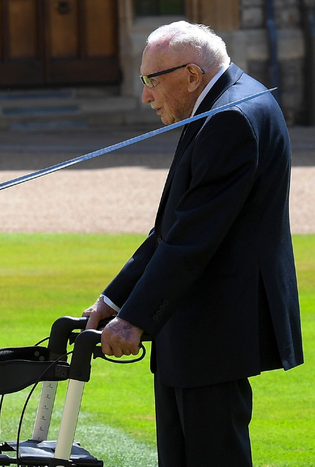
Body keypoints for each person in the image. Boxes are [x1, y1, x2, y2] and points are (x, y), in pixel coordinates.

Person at [83, 21, 303, 467]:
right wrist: (114, 300)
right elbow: (174, 226)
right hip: (196, 327)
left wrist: (133, 320)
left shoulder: (229, 117)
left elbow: (191, 239)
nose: (145, 96)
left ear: (190, 75)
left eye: (151, 80)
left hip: (212, 329)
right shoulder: (223, 102)